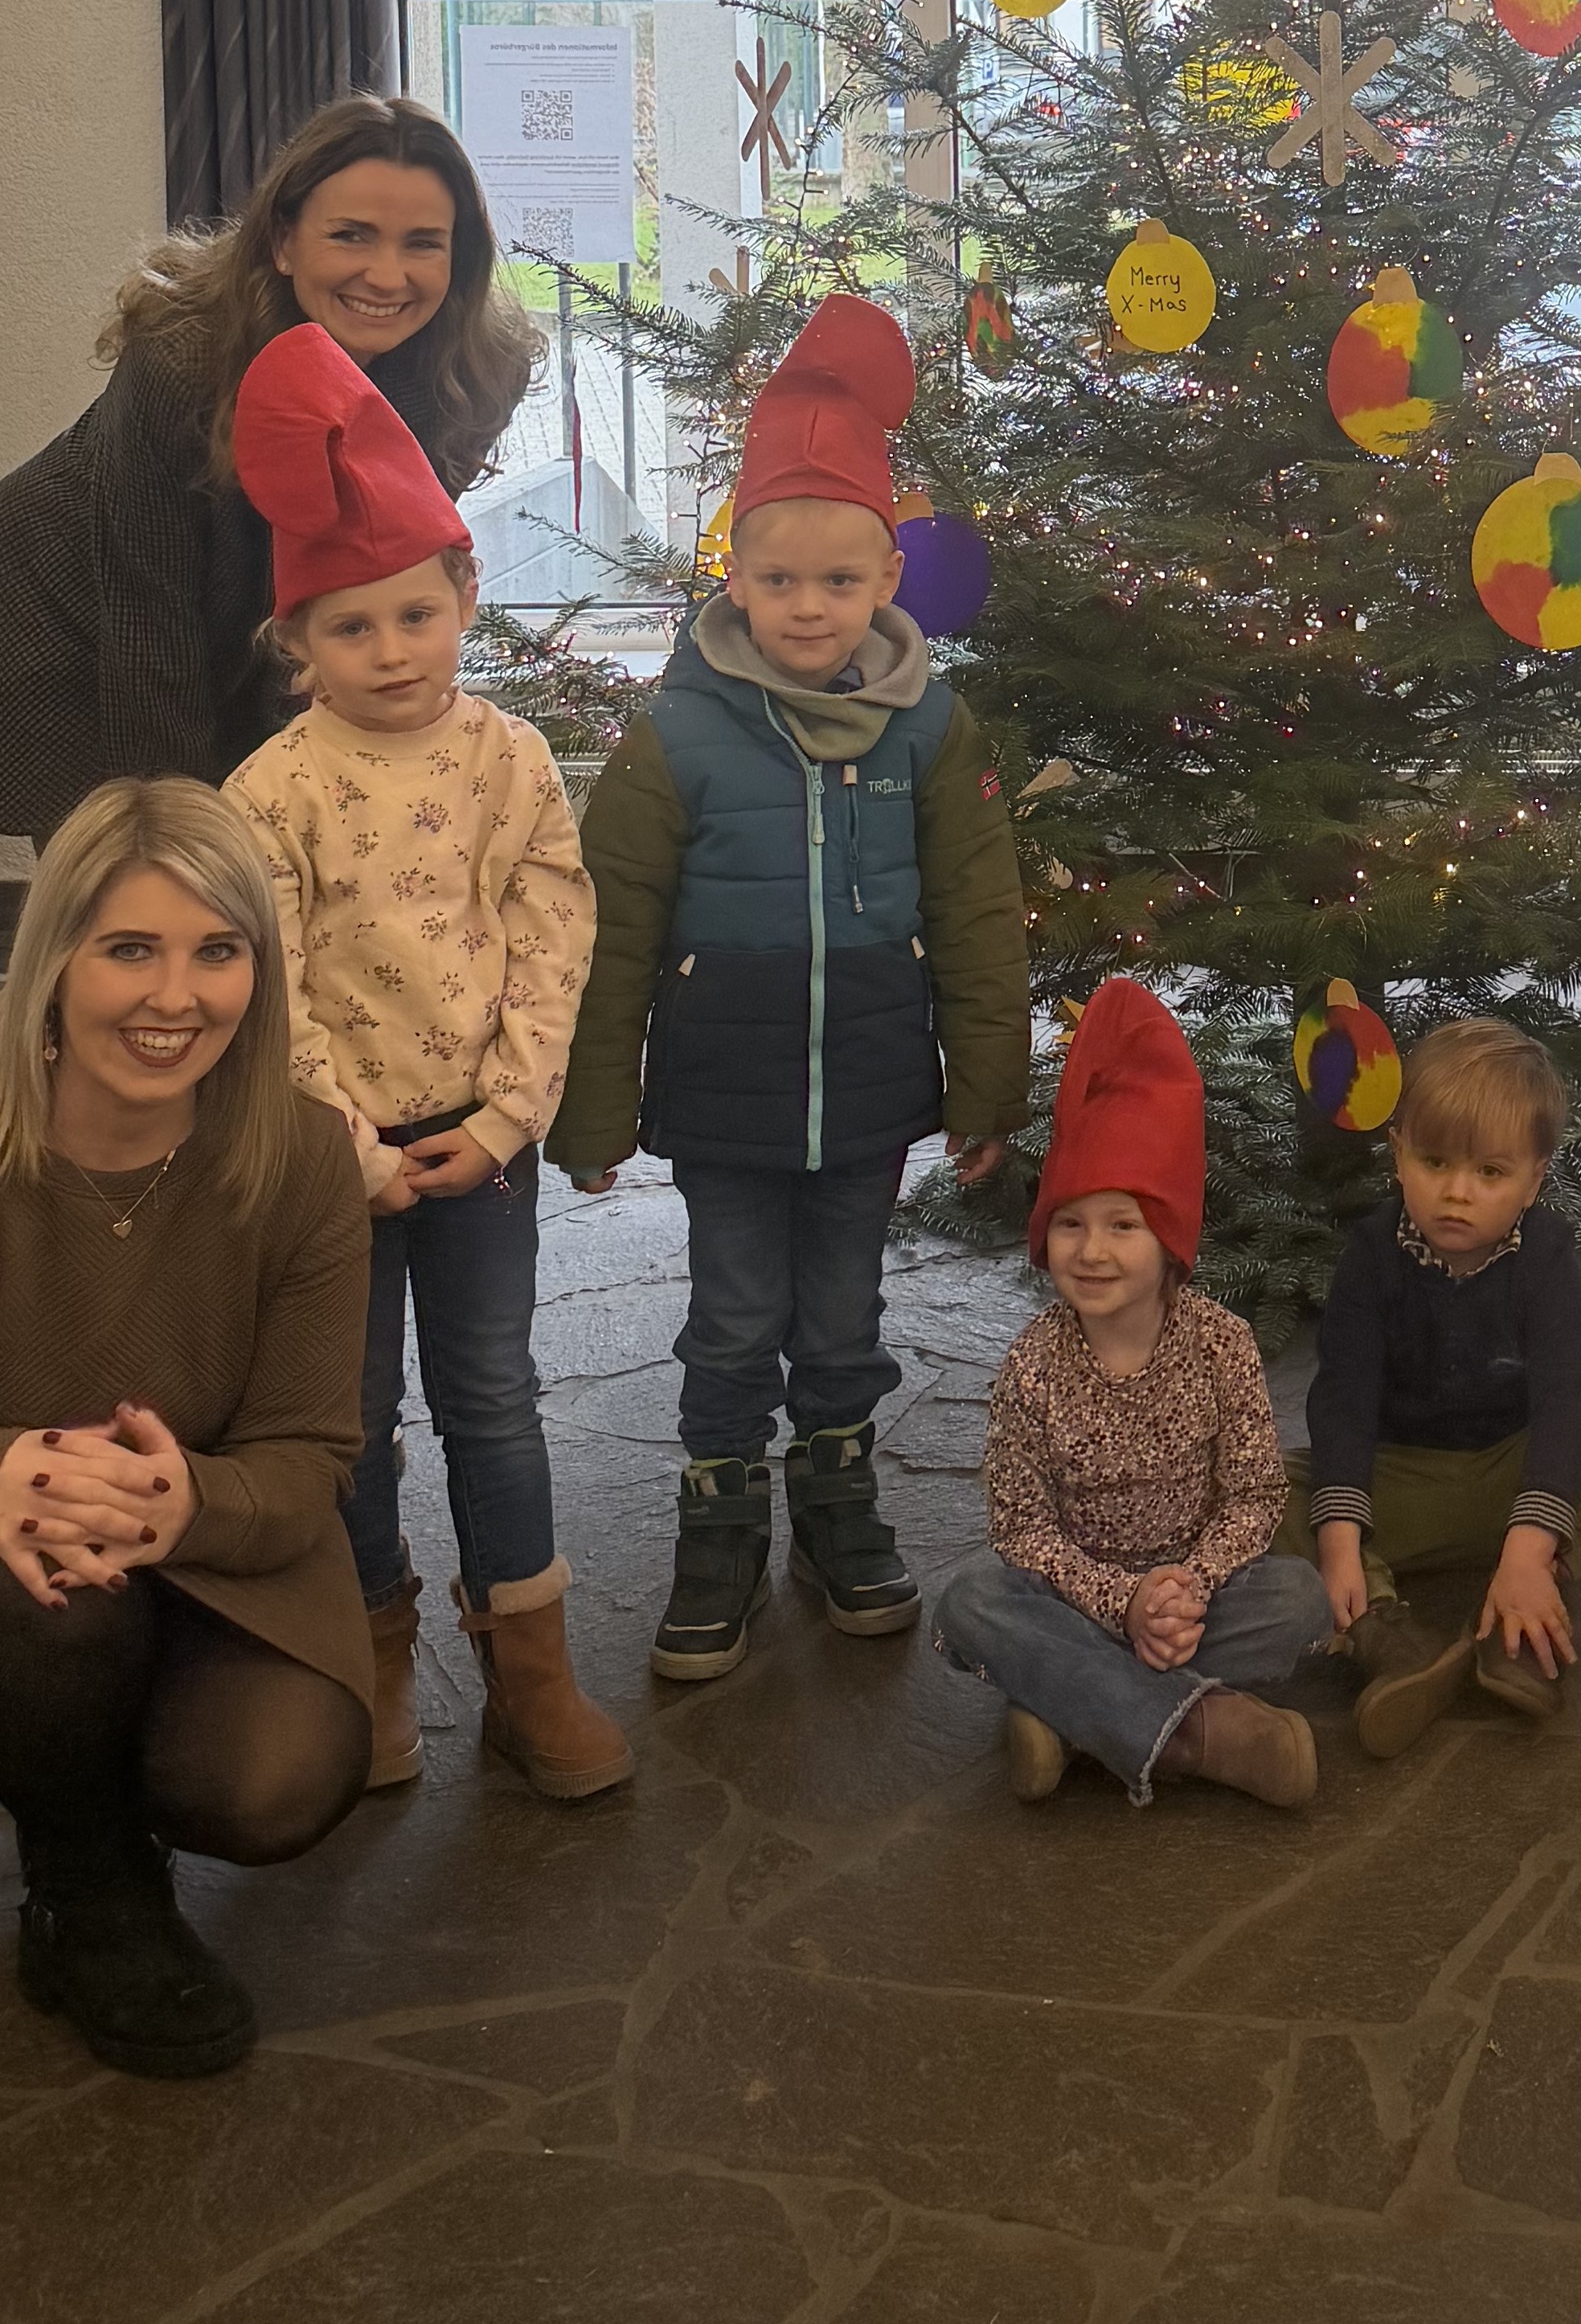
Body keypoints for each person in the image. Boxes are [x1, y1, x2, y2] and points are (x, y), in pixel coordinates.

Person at [0, 781, 377, 2077]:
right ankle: (88, 1882)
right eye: (129, 949)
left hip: (205, 1540)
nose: (176, 998)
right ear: (52, 960)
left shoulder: (304, 1160)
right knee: (62, 1605)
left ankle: (85, 1762)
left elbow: (308, 1456)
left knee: (279, 1782)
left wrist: (177, 1507)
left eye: (219, 952)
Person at [552, 295, 1030, 1683]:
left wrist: (983, 1085)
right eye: (778, 582)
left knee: (841, 1320)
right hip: (725, 1095)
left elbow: (976, 910)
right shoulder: (680, 732)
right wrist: (593, 1111)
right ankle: (720, 1526)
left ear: (886, 575)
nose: (808, 609)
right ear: (735, 576)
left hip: (869, 1086)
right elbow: (612, 926)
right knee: (732, 1319)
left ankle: (837, 1503)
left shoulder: (929, 727)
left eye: (838, 582)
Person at [222, 326, 623, 1801]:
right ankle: (371, 1656)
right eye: (349, 628)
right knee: (350, 1421)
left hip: (477, 1146)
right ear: (298, 643)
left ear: (463, 593)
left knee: (493, 1399)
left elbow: (549, 928)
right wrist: (346, 1145)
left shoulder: (507, 758)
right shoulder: (270, 792)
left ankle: (530, 1671)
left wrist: (511, 1114)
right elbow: (263, 982)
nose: (389, 652)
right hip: (334, 1163)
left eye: (413, 613)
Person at [0, 93, 536, 843]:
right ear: (283, 241)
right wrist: (191, 845)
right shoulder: (185, 362)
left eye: (422, 243)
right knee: (138, 889)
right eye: (350, 235)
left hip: (242, 631)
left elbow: (372, 580)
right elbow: (149, 630)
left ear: (460, 255)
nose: (386, 274)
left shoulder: (473, 376)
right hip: (67, 632)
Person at [932, 980, 1333, 1809]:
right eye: (1071, 1224)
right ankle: (1200, 1735)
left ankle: (1070, 1712)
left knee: (1299, 1599)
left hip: (1198, 1600)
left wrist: (1186, 1584)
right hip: (1073, 1601)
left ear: (1169, 1241)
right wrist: (1124, 1602)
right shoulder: (1031, 1366)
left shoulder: (1222, 1343)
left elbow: (1255, 1494)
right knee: (973, 1604)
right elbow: (1023, 1530)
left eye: (1122, 1225)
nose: (1093, 1250)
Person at [1285, 1018, 1581, 1757]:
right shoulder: (1371, 1257)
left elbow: (1569, 1399)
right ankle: (1386, 1636)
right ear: (1398, 1153)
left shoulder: (1546, 1256)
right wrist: (1342, 1541)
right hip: (1402, 1482)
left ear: (1536, 1176)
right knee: (1262, 1482)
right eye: (1435, 1160)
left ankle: (1527, 1609)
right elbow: (1344, 1396)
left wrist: (1529, 1550)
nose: (1456, 1192)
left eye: (1490, 1172)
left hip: (1516, 1479)